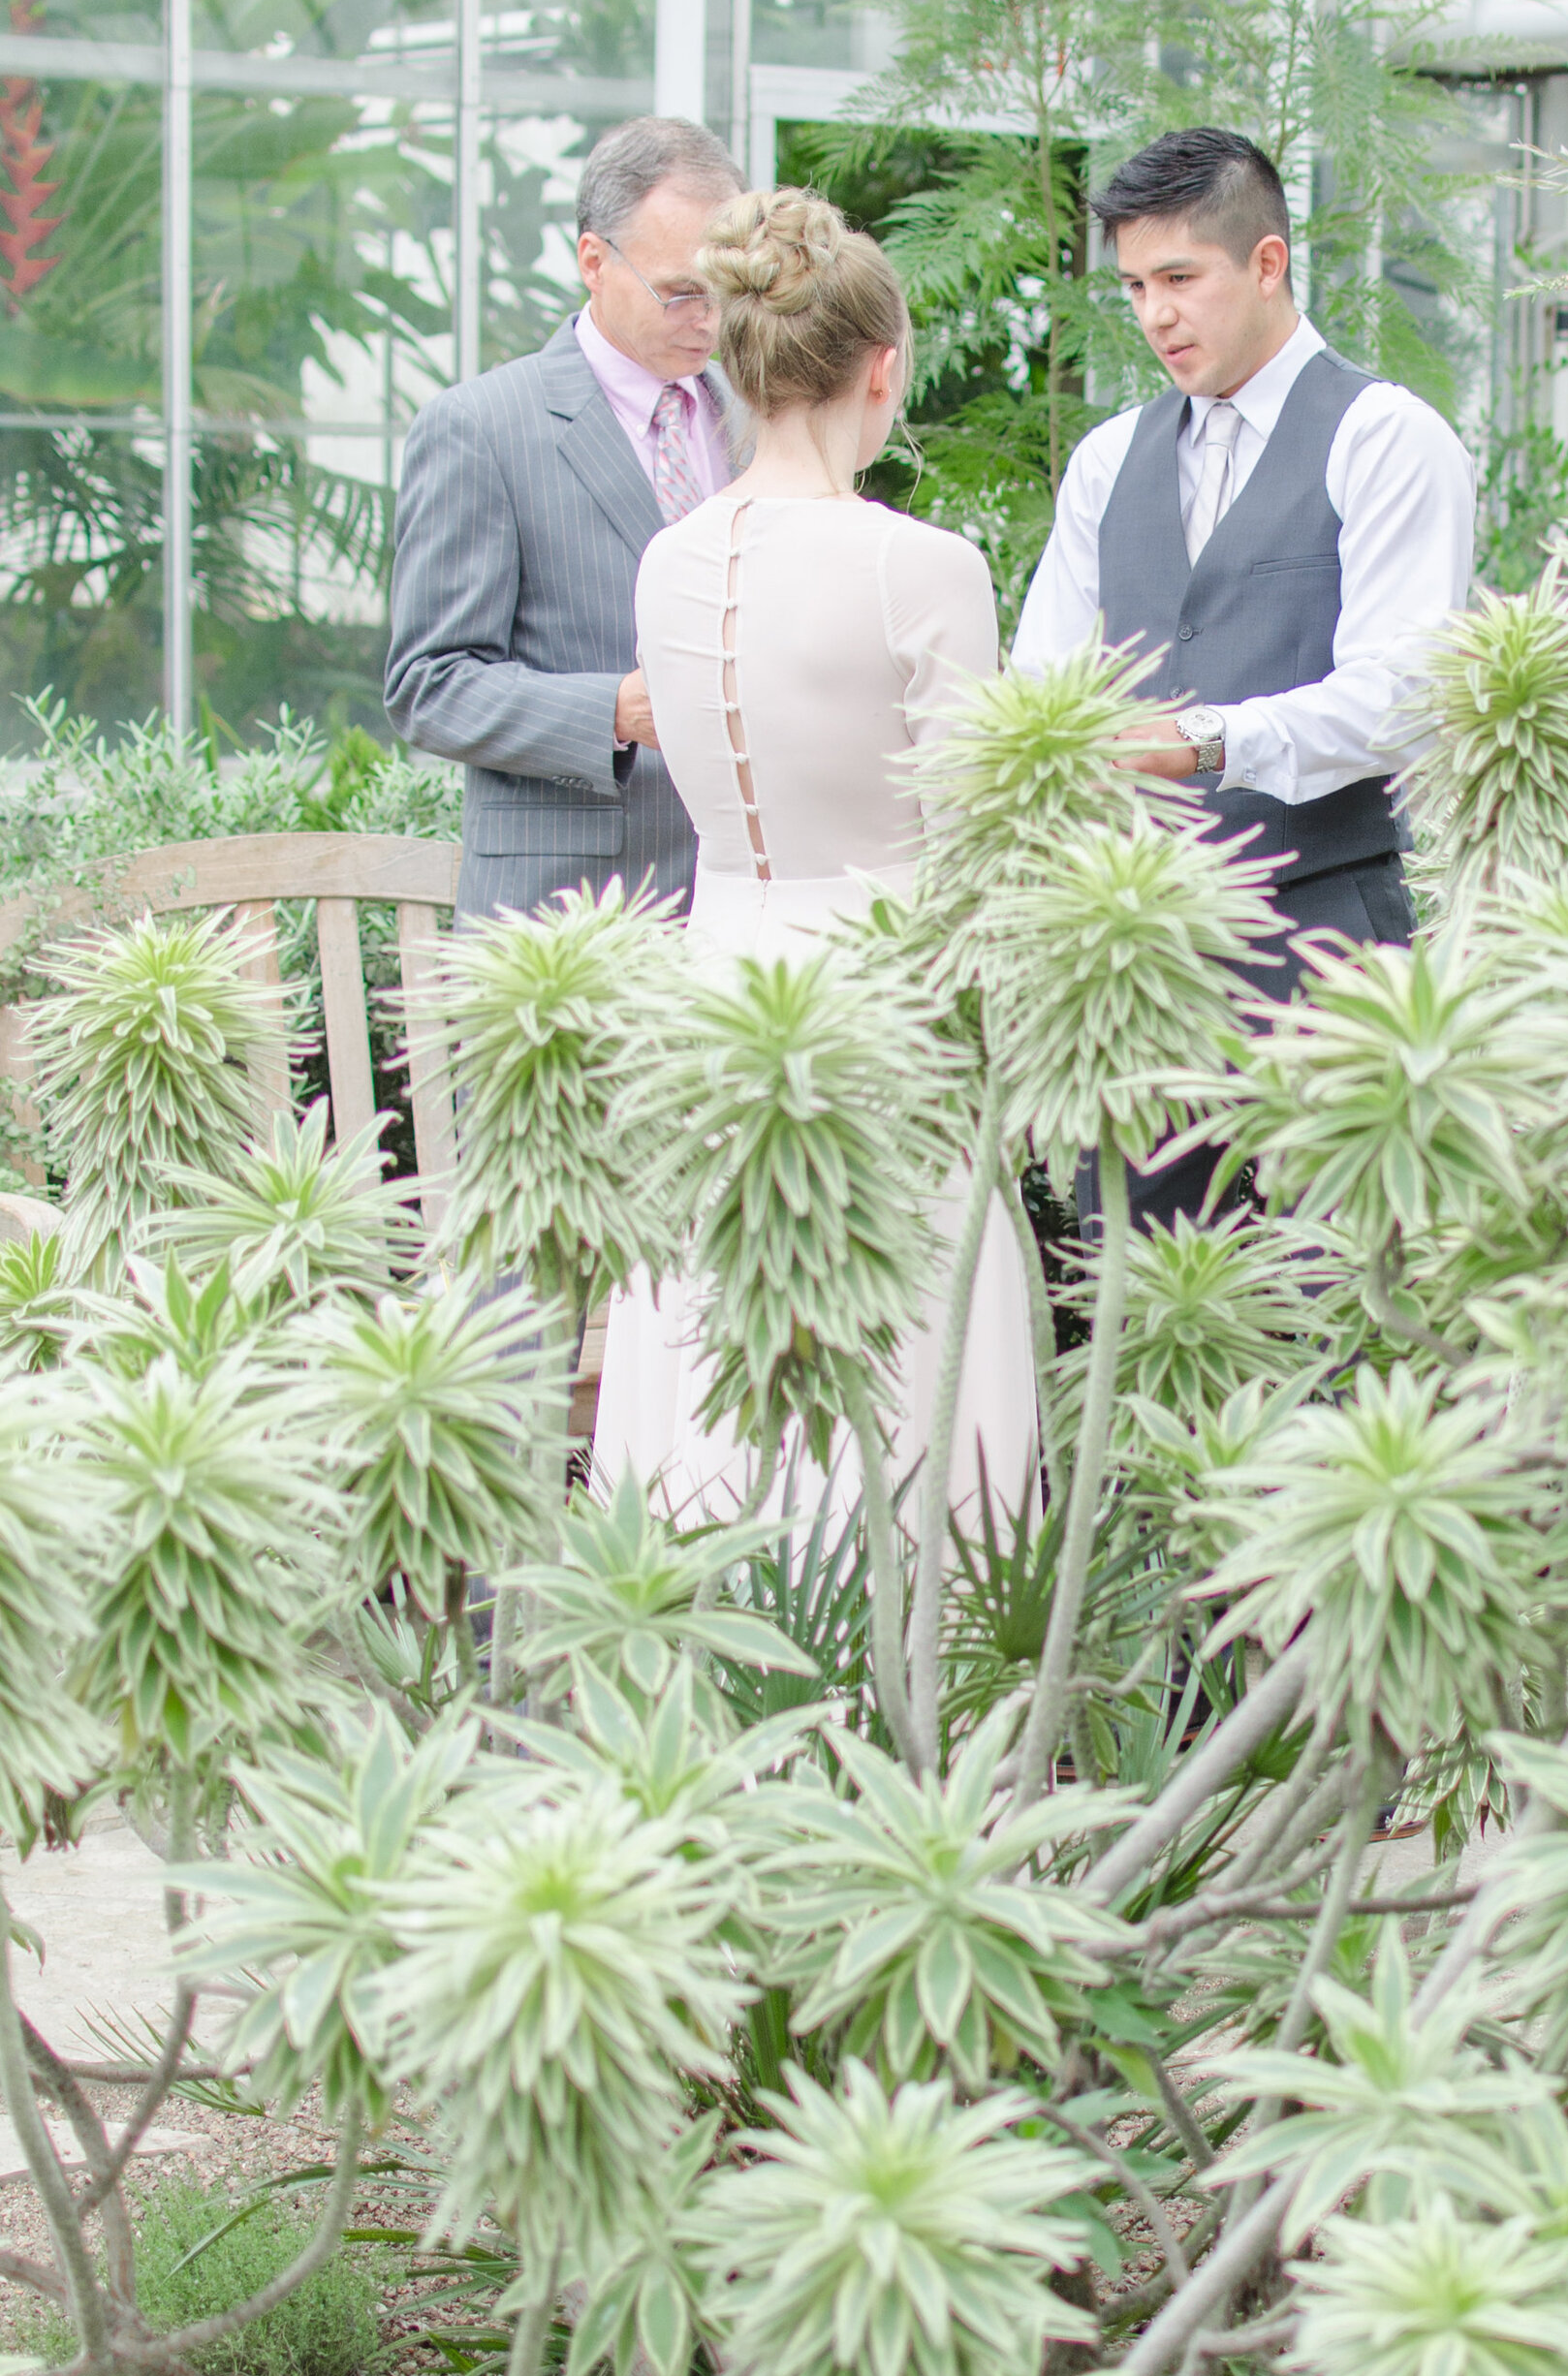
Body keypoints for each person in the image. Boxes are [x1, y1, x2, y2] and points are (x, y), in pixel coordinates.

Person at [591, 187, 1038, 1533]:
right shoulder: (926, 567)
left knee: (712, 1347)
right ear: (882, 368)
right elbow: (975, 837)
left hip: (716, 999)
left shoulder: (666, 560)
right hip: (886, 1006)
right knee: (905, 1357)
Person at [1013, 123, 1474, 1225]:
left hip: (1326, 941)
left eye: (1180, 279)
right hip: (1142, 962)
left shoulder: (1385, 438)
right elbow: (1040, 686)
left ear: (1268, 263)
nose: (1154, 315)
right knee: (1141, 1280)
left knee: (1338, 1285)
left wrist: (1206, 740)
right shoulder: (1106, 460)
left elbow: (1403, 694)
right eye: (1134, 286)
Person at [385, 114, 746, 922]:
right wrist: (616, 711)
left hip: (737, 912)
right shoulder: (481, 427)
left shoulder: (757, 420)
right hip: (560, 922)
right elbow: (426, 686)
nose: (709, 318)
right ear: (593, 261)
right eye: (681, 291)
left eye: (727, 290)